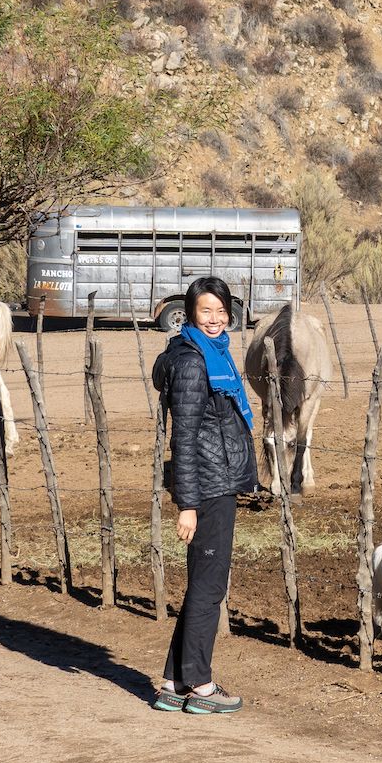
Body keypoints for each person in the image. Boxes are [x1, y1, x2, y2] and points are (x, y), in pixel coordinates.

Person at [151, 276, 259, 714]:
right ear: (191, 315)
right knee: (209, 587)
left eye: (220, 312)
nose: (214, 320)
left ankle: (174, 681)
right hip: (209, 488)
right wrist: (189, 506)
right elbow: (187, 440)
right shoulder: (197, 365)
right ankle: (200, 685)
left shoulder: (203, 353)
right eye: (205, 312)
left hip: (215, 482)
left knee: (203, 584)